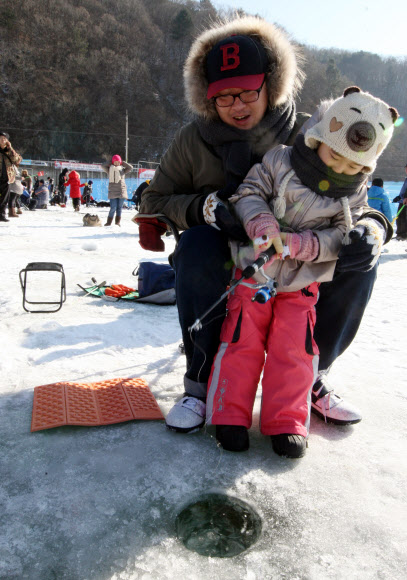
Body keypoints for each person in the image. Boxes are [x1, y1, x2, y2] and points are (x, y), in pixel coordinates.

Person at [139, 16, 393, 433]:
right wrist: (205, 207)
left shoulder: (311, 130)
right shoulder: (193, 139)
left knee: (359, 256)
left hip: (301, 256)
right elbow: (153, 199)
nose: (238, 106)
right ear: (208, 99)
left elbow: (358, 196)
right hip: (230, 256)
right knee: (199, 245)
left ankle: (312, 374)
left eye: (248, 92)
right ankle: (200, 383)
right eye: (224, 97)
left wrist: (375, 228)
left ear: (270, 85)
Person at [206, 87, 398, 458]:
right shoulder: (281, 160)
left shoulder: (353, 195)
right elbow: (248, 192)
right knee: (242, 340)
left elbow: (340, 237)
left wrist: (303, 245)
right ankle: (229, 413)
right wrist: (262, 223)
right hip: (254, 272)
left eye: (353, 168)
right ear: (319, 138)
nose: (340, 171)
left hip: (302, 282)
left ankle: (286, 421)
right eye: (335, 157)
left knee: (294, 349)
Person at [102, 155, 133, 226]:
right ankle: (109, 222)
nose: (117, 163)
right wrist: (110, 162)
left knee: (119, 208)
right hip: (113, 191)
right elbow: (103, 166)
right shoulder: (110, 169)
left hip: (121, 191)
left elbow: (130, 167)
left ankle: (117, 222)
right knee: (113, 207)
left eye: (118, 162)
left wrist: (123, 163)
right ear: (113, 162)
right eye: (115, 162)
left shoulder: (122, 170)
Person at [0, 131, 22, 223]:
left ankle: (1, 215)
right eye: (1, 138)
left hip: (6, 178)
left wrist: (10, 149)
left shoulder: (9, 151)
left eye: (5, 139)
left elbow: (17, 160)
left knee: (4, 198)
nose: (3, 140)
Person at [394, 165, 407, 240]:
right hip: (402, 200)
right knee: (400, 217)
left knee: (404, 218)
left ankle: (403, 234)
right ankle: (400, 234)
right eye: (405, 169)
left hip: (405, 200)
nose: (406, 171)